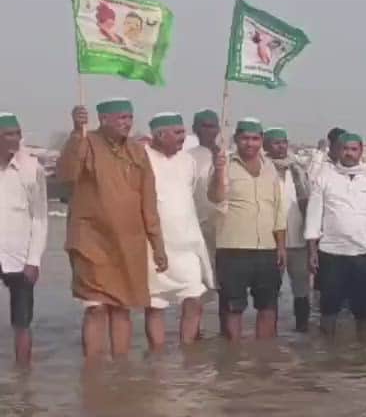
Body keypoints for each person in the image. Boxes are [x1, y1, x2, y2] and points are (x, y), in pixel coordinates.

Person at [58, 100, 165, 361]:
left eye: (130, 117)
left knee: (121, 307)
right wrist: (76, 131)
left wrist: (158, 246)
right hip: (91, 240)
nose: (127, 123)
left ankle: (120, 373)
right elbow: (66, 175)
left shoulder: (138, 152)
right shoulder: (86, 142)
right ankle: (92, 375)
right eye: (121, 118)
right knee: (95, 307)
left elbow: (148, 202)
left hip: (129, 243)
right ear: (103, 119)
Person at [304, 133, 366, 340]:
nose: (349, 153)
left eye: (354, 149)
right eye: (345, 149)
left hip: (365, 253)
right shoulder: (324, 178)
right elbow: (313, 217)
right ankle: (327, 354)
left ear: (361, 151)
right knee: (329, 309)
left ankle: (362, 356)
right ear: (337, 151)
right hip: (331, 253)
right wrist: (311, 251)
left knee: (363, 309)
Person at [208, 118, 287, 343]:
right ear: (236, 140)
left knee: (269, 305)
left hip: (267, 249)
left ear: (262, 140)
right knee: (233, 308)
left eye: (254, 139)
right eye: (244, 138)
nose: (250, 144)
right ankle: (234, 360)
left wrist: (281, 245)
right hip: (233, 248)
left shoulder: (270, 168)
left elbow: (278, 209)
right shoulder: (223, 166)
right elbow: (215, 198)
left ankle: (264, 357)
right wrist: (218, 172)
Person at [143, 113, 214, 351]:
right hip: (154, 245)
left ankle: (188, 352)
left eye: (183, 132)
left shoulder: (188, 162)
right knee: (155, 304)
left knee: (194, 297)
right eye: (178, 133)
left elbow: (190, 195)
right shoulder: (143, 158)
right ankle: (158, 358)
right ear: (160, 134)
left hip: (188, 244)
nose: (183, 138)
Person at [0, 113, 46, 366]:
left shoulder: (31, 169)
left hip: (20, 256)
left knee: (22, 322)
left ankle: (23, 379)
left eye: (17, 134)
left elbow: (40, 217)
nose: (15, 140)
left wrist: (34, 259)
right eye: (8, 134)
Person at [264, 127, 313, 332]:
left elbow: (308, 204)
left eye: (284, 142)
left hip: (298, 240)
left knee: (301, 290)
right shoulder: (262, 169)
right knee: (270, 291)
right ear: (266, 145)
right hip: (270, 242)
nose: (281, 146)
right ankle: (269, 334)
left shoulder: (298, 170)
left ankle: (302, 332)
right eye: (276, 142)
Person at [188, 109, 221, 269]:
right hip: (197, 226)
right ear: (195, 129)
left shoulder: (228, 156)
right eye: (205, 126)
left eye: (213, 126)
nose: (210, 131)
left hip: (224, 228)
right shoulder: (188, 158)